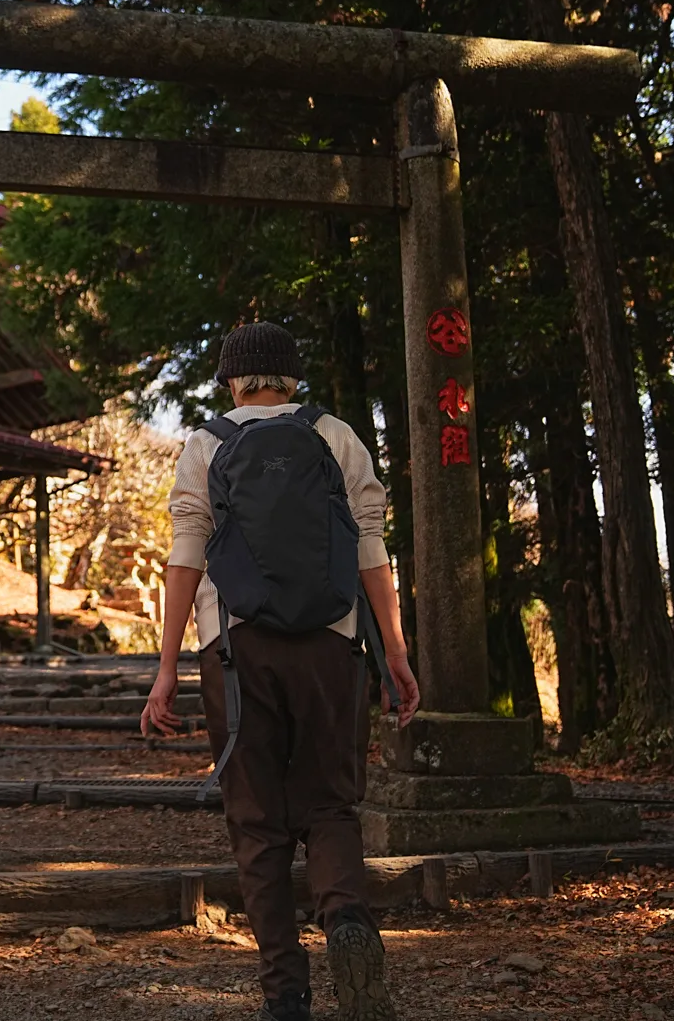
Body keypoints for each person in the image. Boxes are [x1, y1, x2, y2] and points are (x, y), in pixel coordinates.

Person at [142, 321, 420, 1021]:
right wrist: (394, 649)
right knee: (329, 803)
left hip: (236, 650)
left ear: (232, 380)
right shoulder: (337, 436)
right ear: (292, 377)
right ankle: (347, 919)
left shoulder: (208, 444)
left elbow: (186, 557)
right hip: (333, 645)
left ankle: (285, 994)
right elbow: (370, 550)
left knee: (258, 821)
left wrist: (167, 666)